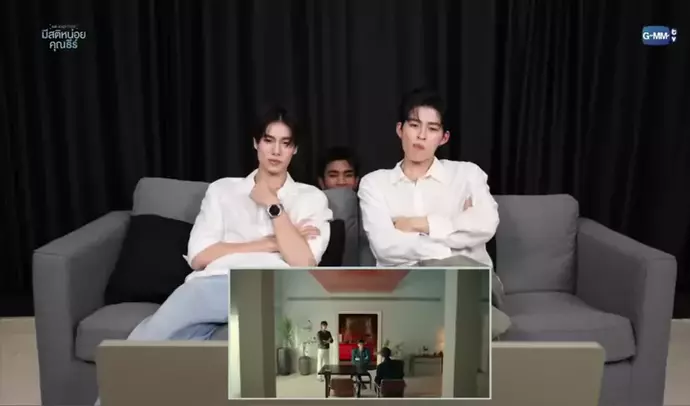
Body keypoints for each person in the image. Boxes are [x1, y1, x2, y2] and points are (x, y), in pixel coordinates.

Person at [94, 107, 333, 404]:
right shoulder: (223, 190)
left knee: (262, 364)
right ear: (255, 143)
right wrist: (270, 243)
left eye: (285, 143)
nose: (275, 151)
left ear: (294, 149)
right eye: (268, 140)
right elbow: (199, 256)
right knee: (144, 345)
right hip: (211, 283)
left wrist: (273, 205)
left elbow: (302, 262)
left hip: (269, 286)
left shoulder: (310, 198)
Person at [357, 88, 511, 338]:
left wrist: (420, 224)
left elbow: (486, 224)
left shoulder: (467, 175)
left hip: (469, 278)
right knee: (432, 295)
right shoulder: (374, 184)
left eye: (432, 128)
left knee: (456, 283)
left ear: (444, 137)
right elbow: (385, 247)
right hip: (409, 283)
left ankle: (461, 325)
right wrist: (452, 243)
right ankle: (476, 327)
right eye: (414, 125)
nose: (421, 135)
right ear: (400, 129)